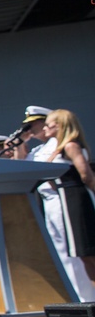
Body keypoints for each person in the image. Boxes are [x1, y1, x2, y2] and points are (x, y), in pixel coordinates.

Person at [42, 109, 95, 300]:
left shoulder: (71, 146)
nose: (45, 128)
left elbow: (86, 175)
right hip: (66, 199)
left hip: (76, 199)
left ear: (61, 125)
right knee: (83, 255)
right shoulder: (58, 148)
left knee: (89, 253)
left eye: (49, 124)